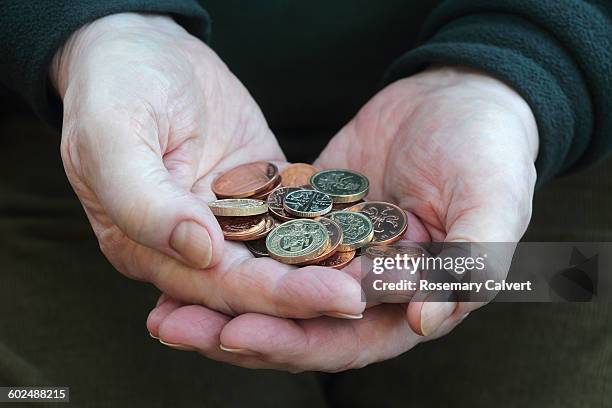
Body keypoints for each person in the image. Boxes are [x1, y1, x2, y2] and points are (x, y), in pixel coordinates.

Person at [1, 1, 610, 406]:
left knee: (552, 313)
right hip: (73, 121)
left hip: (551, 122)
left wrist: (528, 72)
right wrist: (85, 26)